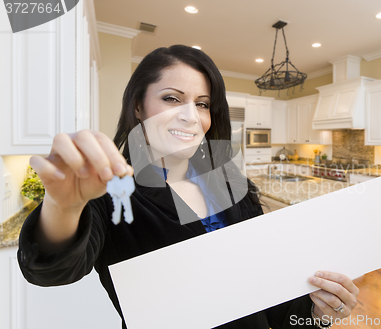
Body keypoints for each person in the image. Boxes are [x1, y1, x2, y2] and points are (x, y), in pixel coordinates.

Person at [17, 45, 359, 329]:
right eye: (171, 98)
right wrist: (63, 205)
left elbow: (267, 287)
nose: (191, 116)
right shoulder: (110, 192)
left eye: (202, 103)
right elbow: (51, 269)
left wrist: (317, 314)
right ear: (138, 106)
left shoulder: (226, 181)